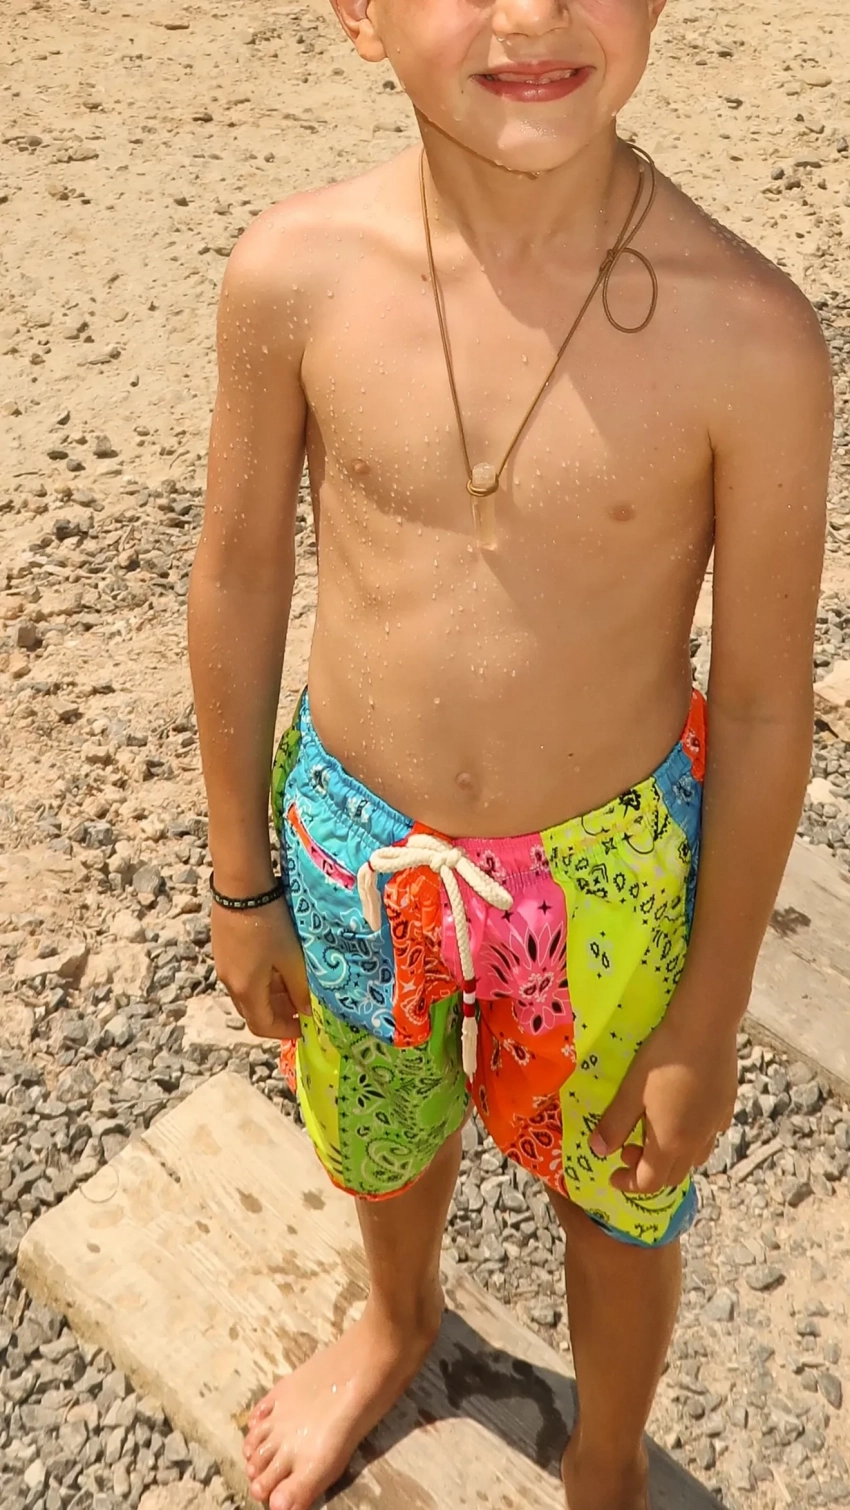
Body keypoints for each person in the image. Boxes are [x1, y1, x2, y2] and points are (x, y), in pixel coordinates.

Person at [187, 0, 834, 1506]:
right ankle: (398, 1317)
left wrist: (707, 1016)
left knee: (621, 1205)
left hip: (610, 886)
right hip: (352, 852)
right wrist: (240, 875)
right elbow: (238, 574)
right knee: (382, 1135)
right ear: (359, 13)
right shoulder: (295, 274)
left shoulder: (751, 336)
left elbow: (757, 705)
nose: (532, 12)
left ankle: (605, 1458)